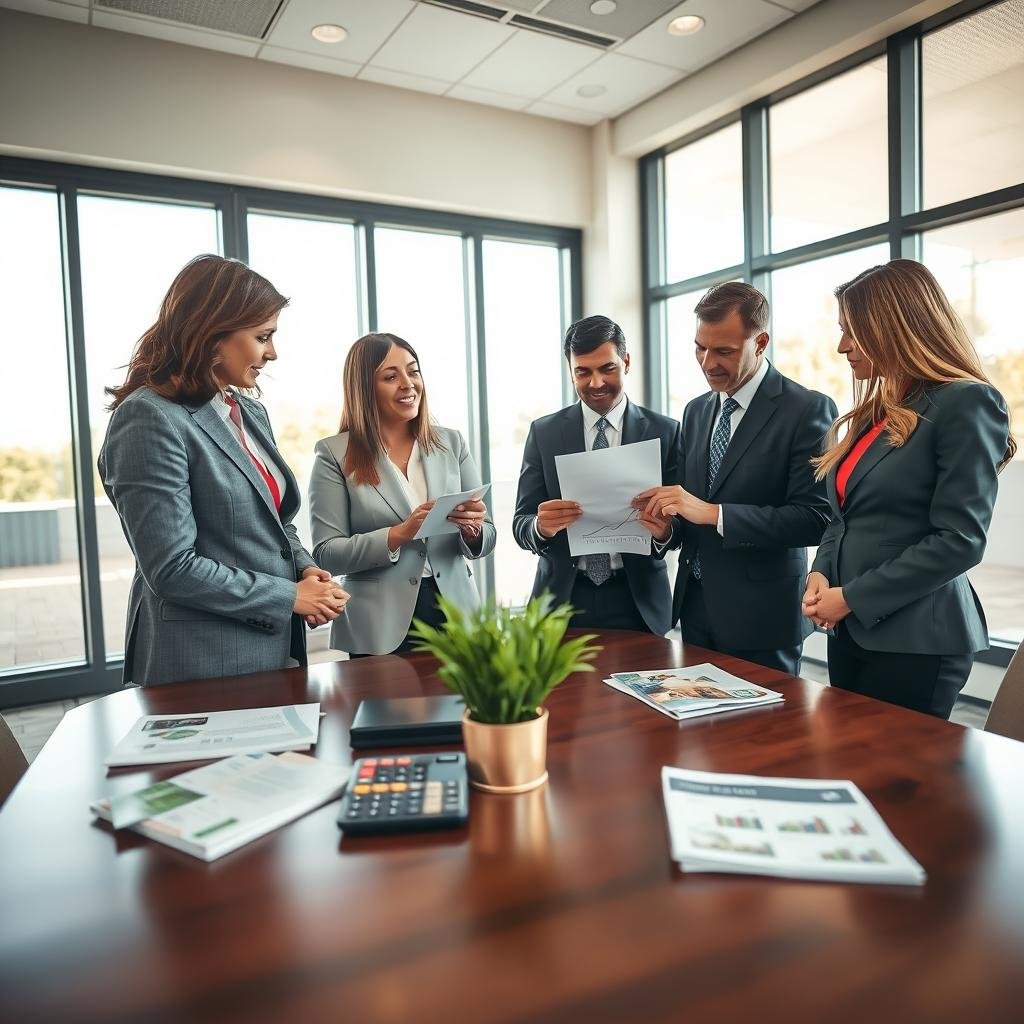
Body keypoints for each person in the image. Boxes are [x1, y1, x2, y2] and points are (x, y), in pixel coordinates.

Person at [99, 255, 348, 687]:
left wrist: (305, 571)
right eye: (262, 337)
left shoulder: (248, 411)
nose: (273, 352)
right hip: (199, 662)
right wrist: (290, 596)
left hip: (268, 650)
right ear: (212, 334)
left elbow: (276, 524)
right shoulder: (147, 418)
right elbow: (172, 568)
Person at [801, 260, 1015, 719]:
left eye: (853, 332)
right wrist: (821, 575)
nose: (842, 347)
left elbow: (961, 540)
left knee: (899, 786)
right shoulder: (877, 412)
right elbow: (843, 519)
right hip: (851, 631)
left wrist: (850, 597)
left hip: (917, 642)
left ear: (893, 328)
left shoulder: (965, 401)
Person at [636, 282, 836, 675]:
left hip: (763, 619)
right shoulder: (695, 412)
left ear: (760, 342)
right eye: (699, 347)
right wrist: (664, 530)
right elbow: (689, 516)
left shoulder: (806, 410)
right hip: (694, 611)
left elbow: (815, 518)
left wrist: (714, 513)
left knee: (764, 736)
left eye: (724, 351)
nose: (708, 363)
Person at [309, 333, 495, 656]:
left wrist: (474, 531)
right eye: (391, 377)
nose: (408, 384)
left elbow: (488, 537)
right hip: (379, 625)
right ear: (364, 389)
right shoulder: (334, 454)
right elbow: (326, 554)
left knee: (463, 708)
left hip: (457, 617)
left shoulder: (452, 443)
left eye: (413, 371)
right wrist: (398, 534)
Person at [512, 315, 682, 634]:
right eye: (583, 372)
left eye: (607, 368)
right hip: (561, 601)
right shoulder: (544, 433)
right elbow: (520, 523)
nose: (596, 383)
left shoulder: (666, 432)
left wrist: (664, 532)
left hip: (638, 602)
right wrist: (540, 527)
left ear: (626, 362)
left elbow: (682, 528)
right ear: (571, 371)